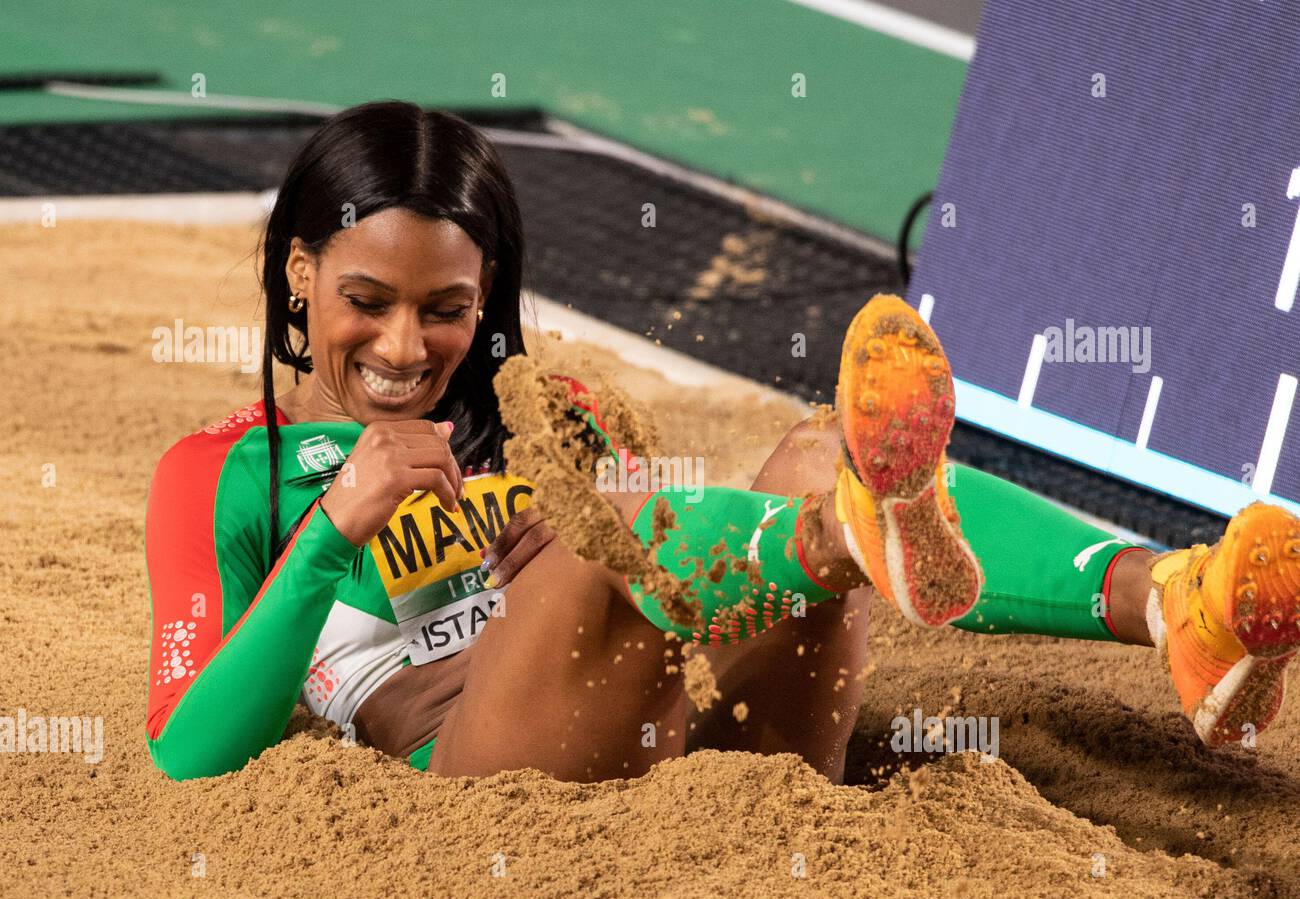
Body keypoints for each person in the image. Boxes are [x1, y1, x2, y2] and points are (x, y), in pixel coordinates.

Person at [144, 101, 1300, 784]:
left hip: (707, 758)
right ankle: (843, 530)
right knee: (619, 546)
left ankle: (1177, 604)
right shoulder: (222, 475)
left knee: (811, 449)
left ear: (487, 292)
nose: (406, 345)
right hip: (483, 788)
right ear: (298, 276)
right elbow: (182, 755)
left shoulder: (545, 411)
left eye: (446, 308)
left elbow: (675, 600)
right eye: (366, 300)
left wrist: (597, 500)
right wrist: (331, 534)